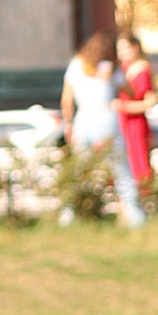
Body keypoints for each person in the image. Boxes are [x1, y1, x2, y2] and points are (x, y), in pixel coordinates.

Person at [62, 30, 144, 227]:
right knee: (120, 166)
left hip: (84, 116)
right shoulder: (110, 67)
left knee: (79, 168)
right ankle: (134, 215)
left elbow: (67, 99)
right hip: (106, 114)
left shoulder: (77, 64)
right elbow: (131, 92)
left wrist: (69, 123)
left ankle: (69, 213)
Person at [115, 34, 155, 190]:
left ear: (135, 47)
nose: (122, 53)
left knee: (139, 163)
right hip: (122, 122)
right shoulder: (122, 69)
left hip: (135, 124)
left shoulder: (141, 69)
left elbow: (149, 102)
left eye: (125, 48)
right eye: (119, 50)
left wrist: (125, 107)